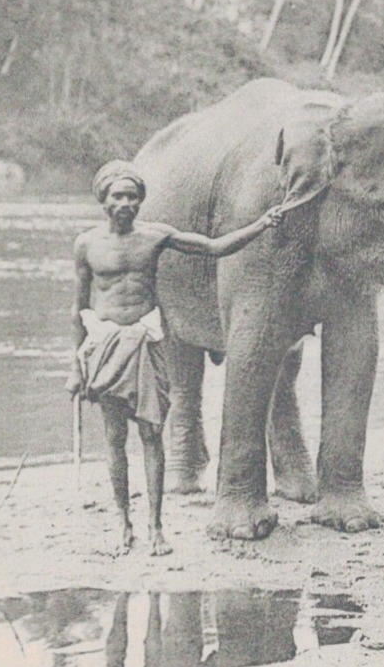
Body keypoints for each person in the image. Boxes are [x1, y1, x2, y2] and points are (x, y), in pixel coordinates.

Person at [68, 160, 286, 555]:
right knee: (115, 440)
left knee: (152, 436)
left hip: (146, 344)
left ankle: (155, 528)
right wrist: (74, 367)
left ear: (140, 202)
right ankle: (123, 525)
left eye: (133, 197)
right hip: (104, 347)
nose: (126, 204)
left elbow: (214, 248)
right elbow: (77, 308)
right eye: (118, 196)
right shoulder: (86, 244)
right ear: (103, 200)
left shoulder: (155, 237)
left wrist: (261, 224)